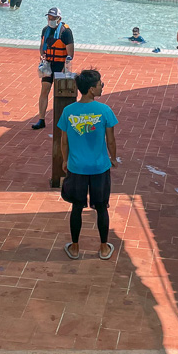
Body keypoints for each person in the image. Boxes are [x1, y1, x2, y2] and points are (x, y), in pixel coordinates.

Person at [59, 68, 118, 261]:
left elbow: (64, 141)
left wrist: (65, 160)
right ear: (92, 89)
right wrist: (114, 158)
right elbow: (110, 140)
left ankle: (75, 248)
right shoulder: (105, 110)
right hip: (100, 167)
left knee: (77, 207)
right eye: (100, 83)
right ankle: (103, 248)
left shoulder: (68, 111)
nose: (102, 85)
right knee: (101, 207)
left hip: (76, 168)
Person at [32, 7, 74, 129]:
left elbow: (70, 53)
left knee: (60, 93)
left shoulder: (65, 32)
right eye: (49, 17)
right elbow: (42, 46)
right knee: (44, 90)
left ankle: (63, 121)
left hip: (61, 65)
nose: (50, 20)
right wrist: (42, 57)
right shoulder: (45, 30)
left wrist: (65, 69)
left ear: (59, 18)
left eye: (53, 18)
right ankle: (41, 119)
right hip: (49, 65)